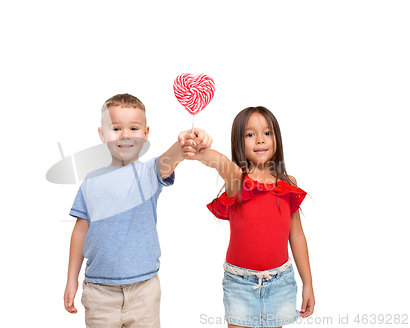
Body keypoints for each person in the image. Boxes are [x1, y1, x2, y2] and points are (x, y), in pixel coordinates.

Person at [63, 93, 212, 328]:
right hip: (99, 292)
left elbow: (173, 155)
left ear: (145, 134)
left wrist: (185, 140)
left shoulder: (149, 172)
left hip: (144, 290)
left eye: (133, 128)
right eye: (115, 128)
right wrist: (71, 280)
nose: (125, 135)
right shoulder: (90, 182)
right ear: (102, 134)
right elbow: (80, 232)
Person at [181, 106, 315, 328]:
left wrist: (308, 283)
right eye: (250, 134)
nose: (260, 140)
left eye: (267, 133)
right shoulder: (237, 179)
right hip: (240, 284)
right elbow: (219, 161)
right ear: (239, 142)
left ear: (276, 138)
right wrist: (201, 150)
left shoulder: (288, 183)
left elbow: (297, 237)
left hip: (280, 281)